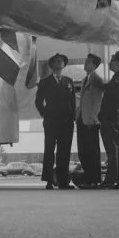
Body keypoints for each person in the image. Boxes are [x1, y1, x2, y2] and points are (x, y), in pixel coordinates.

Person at [35, 53, 76, 189]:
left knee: (64, 152)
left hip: (66, 123)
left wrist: (72, 118)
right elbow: (38, 101)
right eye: (57, 61)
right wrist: (45, 114)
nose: (59, 63)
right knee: (49, 150)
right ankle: (49, 181)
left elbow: (73, 101)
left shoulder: (69, 81)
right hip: (51, 122)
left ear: (64, 65)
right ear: (51, 65)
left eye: (62, 61)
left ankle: (63, 181)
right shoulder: (45, 82)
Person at [95, 51, 119, 189]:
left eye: (111, 61)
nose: (109, 63)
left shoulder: (118, 79)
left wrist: (104, 117)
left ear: (116, 63)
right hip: (118, 118)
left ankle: (110, 181)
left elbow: (111, 100)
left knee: (112, 151)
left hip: (111, 118)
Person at [75, 54, 104, 187]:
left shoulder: (96, 80)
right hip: (82, 119)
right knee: (83, 150)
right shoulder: (85, 79)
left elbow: (97, 101)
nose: (85, 64)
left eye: (88, 62)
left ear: (94, 65)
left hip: (91, 121)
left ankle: (94, 179)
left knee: (92, 151)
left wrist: (93, 118)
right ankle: (88, 177)